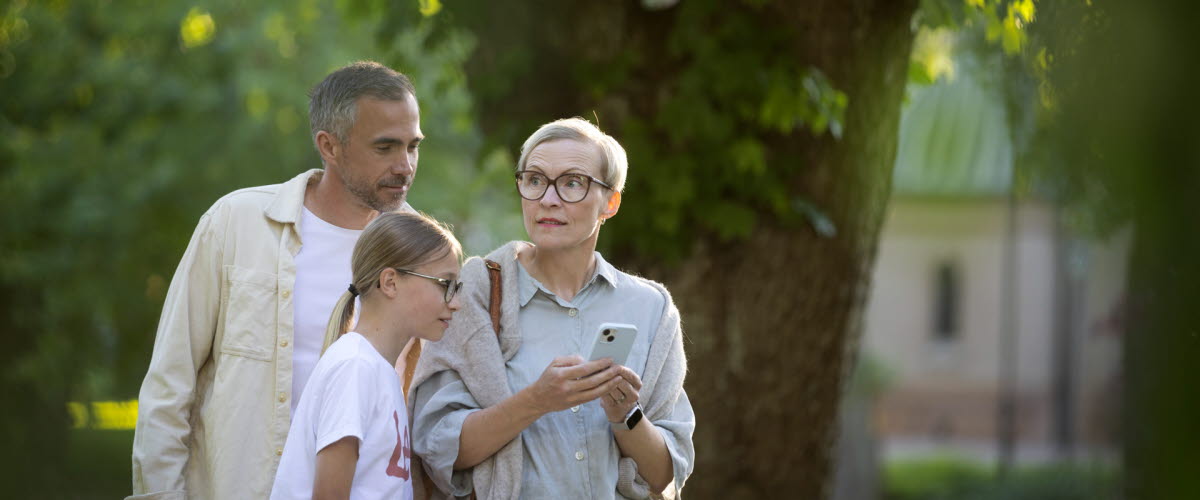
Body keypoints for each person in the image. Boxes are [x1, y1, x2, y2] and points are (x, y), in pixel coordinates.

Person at [130, 61, 425, 499]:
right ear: (329, 145)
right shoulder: (236, 223)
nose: (405, 165)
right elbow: (170, 387)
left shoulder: (423, 255)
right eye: (385, 148)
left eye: (413, 146)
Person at [410, 118, 696, 499]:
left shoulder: (651, 308)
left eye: (572, 183)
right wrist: (536, 400)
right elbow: (437, 448)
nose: (548, 198)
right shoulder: (478, 291)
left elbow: (664, 476)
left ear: (610, 202)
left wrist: (625, 415)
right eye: (534, 180)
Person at [271, 211, 463, 500]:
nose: (456, 302)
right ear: (390, 282)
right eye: (444, 284)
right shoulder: (355, 367)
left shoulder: (378, 371)